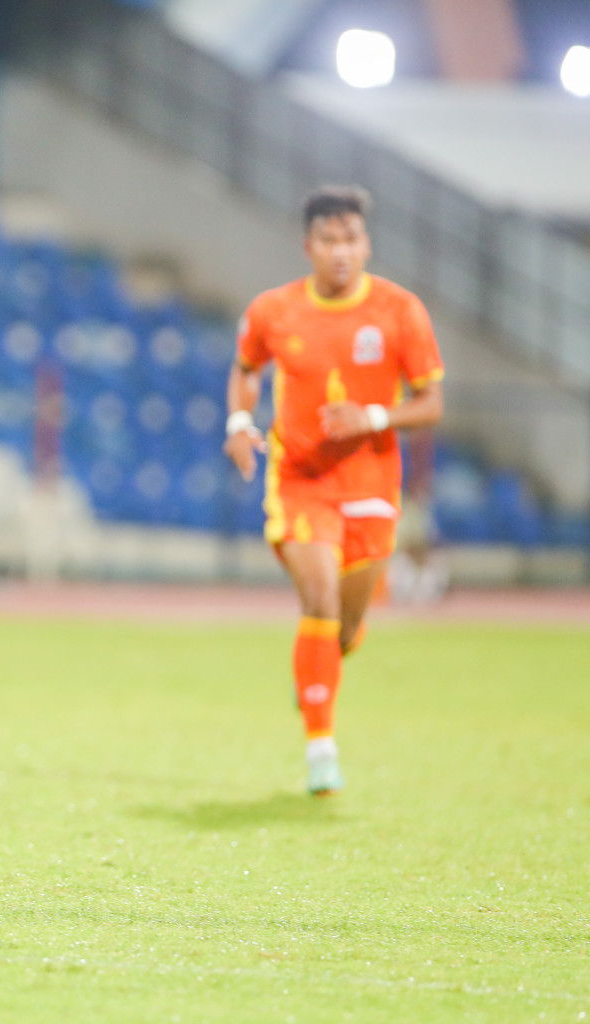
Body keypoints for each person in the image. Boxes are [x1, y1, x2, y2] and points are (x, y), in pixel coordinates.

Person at [224, 186, 444, 796]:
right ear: (309, 246)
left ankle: (320, 666)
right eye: (329, 240)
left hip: (373, 483)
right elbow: (246, 368)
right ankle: (321, 748)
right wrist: (240, 424)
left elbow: (431, 402)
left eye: (352, 239)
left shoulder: (401, 312)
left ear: (366, 243)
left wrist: (372, 417)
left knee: (343, 627)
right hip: (299, 479)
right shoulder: (274, 310)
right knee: (318, 597)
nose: (341, 251)